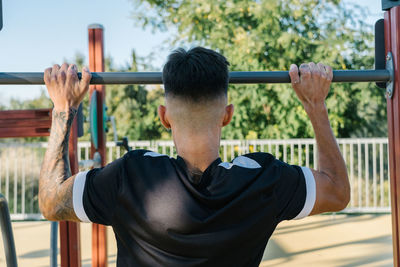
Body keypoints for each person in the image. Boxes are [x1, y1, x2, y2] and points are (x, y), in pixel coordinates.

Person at [39, 47, 349, 266]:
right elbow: (336, 191)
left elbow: (51, 202)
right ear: (227, 115)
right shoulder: (263, 178)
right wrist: (315, 104)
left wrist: (64, 110)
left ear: (164, 116)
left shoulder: (129, 176)